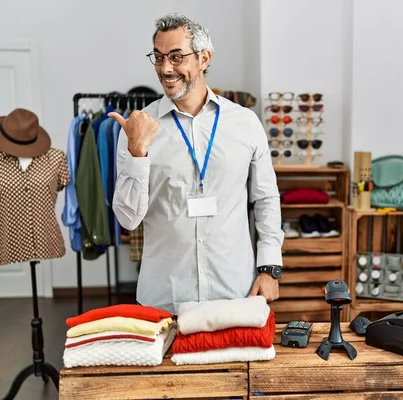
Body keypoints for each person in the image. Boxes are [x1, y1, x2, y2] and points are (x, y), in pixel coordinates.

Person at [109, 13, 284, 315]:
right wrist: (137, 152)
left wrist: (270, 267)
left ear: (204, 58)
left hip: (234, 291)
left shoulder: (245, 123)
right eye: (158, 57)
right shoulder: (138, 128)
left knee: (232, 365)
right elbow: (127, 219)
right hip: (165, 296)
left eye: (176, 57)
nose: (165, 68)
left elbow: (266, 197)